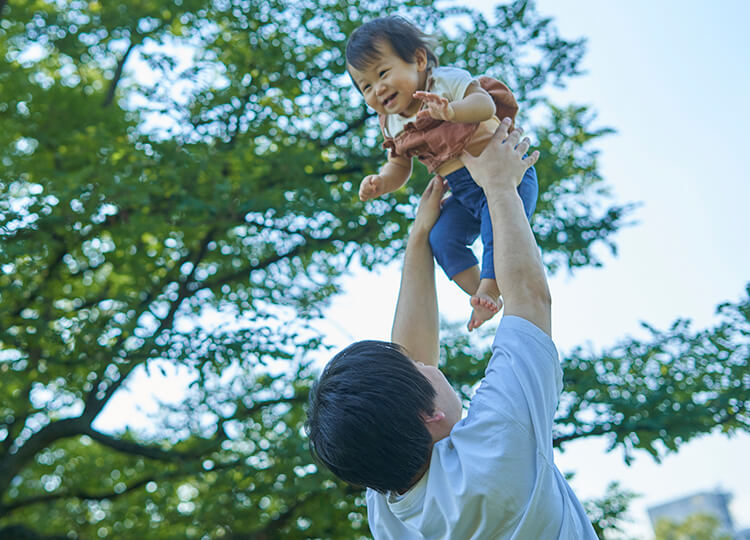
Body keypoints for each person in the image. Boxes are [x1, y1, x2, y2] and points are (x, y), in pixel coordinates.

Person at [306, 119, 598, 539]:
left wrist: (420, 238)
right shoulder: (498, 443)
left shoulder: (391, 510)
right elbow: (529, 300)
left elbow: (405, 376)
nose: (422, 363)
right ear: (431, 415)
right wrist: (499, 186)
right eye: (416, 370)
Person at [346, 15, 539, 331]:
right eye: (366, 86)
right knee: (441, 237)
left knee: (496, 226)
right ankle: (482, 294)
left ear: (419, 60)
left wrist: (451, 111)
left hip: (507, 177)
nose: (377, 89)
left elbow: (485, 105)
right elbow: (398, 166)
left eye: (382, 73)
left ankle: (492, 285)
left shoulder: (446, 82)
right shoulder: (391, 123)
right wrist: (382, 182)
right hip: (464, 193)